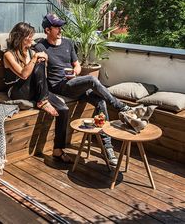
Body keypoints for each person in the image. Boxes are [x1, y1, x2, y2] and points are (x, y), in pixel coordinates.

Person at [35, 13, 131, 166]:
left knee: (100, 102)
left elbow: (77, 65)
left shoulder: (68, 43)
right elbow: (37, 68)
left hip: (72, 83)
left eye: (61, 26)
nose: (60, 30)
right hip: (59, 87)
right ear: (47, 30)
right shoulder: (40, 46)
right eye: (57, 27)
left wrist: (75, 72)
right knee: (92, 79)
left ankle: (107, 147)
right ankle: (121, 107)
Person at [3, 22, 72, 163]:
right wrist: (36, 59)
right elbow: (23, 74)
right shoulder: (8, 55)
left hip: (36, 90)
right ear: (21, 37)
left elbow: (41, 77)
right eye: (30, 37)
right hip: (17, 90)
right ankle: (43, 101)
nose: (32, 40)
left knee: (63, 109)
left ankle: (58, 150)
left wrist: (44, 61)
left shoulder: (31, 51)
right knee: (38, 62)